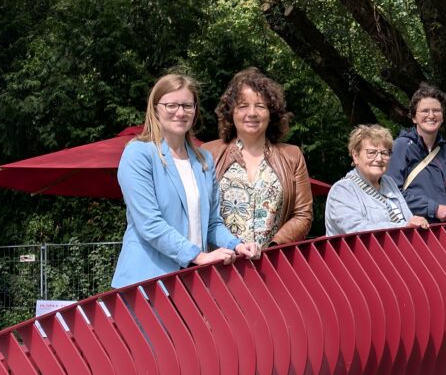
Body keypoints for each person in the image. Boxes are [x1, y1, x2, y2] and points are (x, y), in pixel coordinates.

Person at [113, 73, 259, 289]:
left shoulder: (203, 159)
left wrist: (236, 245)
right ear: (155, 108)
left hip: (191, 283)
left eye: (187, 106)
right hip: (145, 285)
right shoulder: (138, 154)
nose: (180, 112)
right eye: (171, 105)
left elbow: (212, 224)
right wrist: (198, 256)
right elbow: (150, 224)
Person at [202, 68, 313, 247]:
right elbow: (199, 213)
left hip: (272, 265)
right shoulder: (209, 153)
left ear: (271, 113)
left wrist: (274, 247)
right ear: (231, 112)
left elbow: (303, 214)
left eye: (260, 106)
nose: (251, 113)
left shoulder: (292, 156)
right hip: (220, 265)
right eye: (243, 106)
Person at [325, 125, 430, 235]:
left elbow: (408, 219)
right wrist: (403, 226)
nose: (379, 159)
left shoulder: (389, 183)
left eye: (384, 153)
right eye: (371, 152)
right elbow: (356, 229)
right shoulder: (342, 190)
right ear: (355, 156)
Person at [387, 84, 446, 223]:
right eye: (425, 111)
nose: (431, 115)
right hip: (414, 231)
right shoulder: (400, 147)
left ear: (442, 116)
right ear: (414, 117)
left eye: (436, 110)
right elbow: (391, 193)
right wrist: (434, 209)